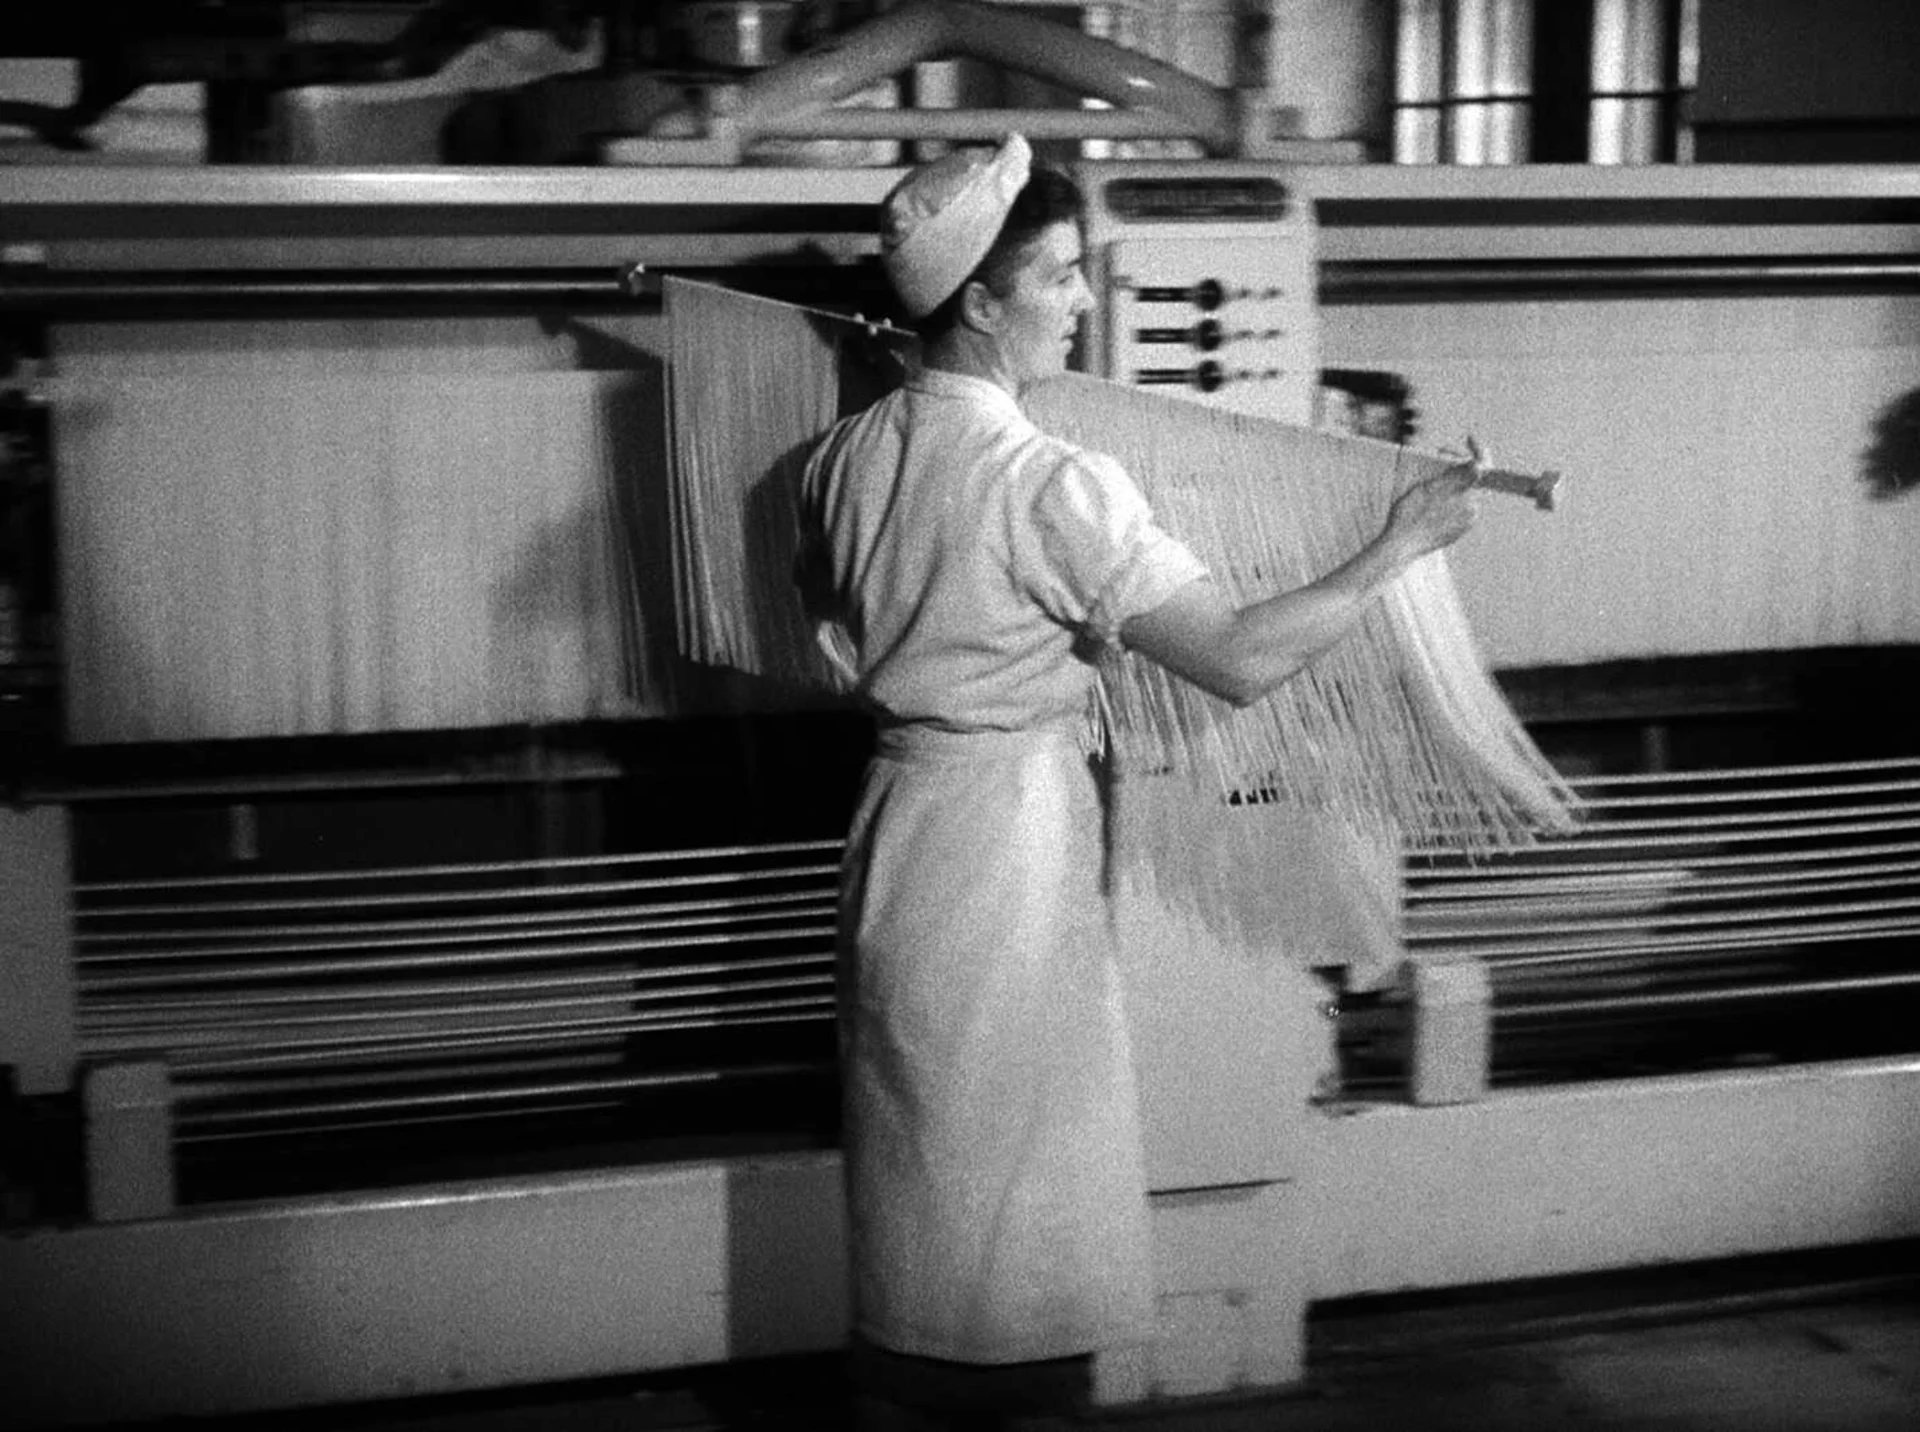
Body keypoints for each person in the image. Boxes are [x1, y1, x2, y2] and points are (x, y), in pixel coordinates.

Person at [795, 134, 1482, 1431]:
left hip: (899, 830)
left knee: (924, 1151)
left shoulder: (850, 455)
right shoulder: (1050, 483)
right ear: (984, 305)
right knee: (1016, 1183)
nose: (1086, 300)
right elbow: (1232, 656)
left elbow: (826, 631)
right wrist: (1397, 545)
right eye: (1059, 278)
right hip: (1007, 844)